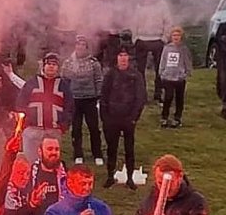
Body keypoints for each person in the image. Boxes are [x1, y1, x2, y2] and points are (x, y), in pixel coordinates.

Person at [100, 49, 147, 190]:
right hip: (112, 118)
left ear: (129, 58)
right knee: (111, 148)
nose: (123, 58)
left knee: (129, 149)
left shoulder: (135, 75)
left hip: (128, 118)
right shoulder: (110, 74)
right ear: (117, 58)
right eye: (120, 55)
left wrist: (134, 117)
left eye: (125, 55)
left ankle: (130, 178)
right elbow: (103, 96)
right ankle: (110, 176)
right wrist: (105, 117)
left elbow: (140, 97)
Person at [16, 52, 74, 163]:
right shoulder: (31, 83)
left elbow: (69, 107)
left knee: (50, 162)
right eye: (48, 63)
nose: (51, 66)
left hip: (53, 130)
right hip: (33, 129)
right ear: (43, 66)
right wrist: (25, 124)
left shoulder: (63, 85)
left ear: (58, 67)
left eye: (54, 64)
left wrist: (63, 126)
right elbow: (20, 103)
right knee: (30, 162)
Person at [61, 35, 104, 165]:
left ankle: (97, 154)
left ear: (87, 47)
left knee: (94, 128)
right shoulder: (68, 63)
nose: (80, 47)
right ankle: (78, 154)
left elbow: (98, 79)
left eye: (83, 45)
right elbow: (64, 80)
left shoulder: (93, 63)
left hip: (90, 99)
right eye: (78, 44)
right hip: (75, 100)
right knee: (76, 128)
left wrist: (98, 96)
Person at [132, 0, 171, 103]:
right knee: (140, 70)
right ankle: (142, 95)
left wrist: (164, 38)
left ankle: (158, 93)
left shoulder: (163, 6)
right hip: (142, 40)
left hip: (157, 40)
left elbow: (168, 22)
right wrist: (135, 38)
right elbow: (134, 23)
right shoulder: (139, 6)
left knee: (160, 69)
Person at [158, 26, 193, 128]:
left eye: (178, 35)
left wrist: (186, 73)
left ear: (181, 36)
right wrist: (162, 72)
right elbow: (163, 60)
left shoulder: (184, 49)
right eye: (174, 35)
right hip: (168, 77)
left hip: (179, 78)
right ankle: (164, 117)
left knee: (179, 98)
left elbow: (187, 62)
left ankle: (177, 118)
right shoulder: (167, 48)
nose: (176, 37)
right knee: (168, 97)